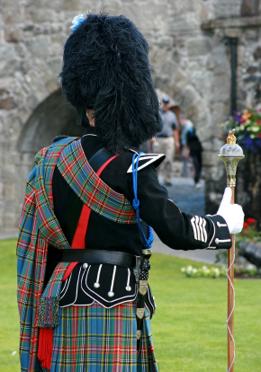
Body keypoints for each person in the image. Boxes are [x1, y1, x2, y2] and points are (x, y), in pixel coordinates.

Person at [16, 14, 244, 372]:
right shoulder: (134, 168)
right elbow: (175, 229)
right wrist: (221, 225)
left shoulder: (49, 161)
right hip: (113, 302)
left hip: (58, 299)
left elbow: (34, 247)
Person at [154, 96, 179, 186]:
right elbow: (153, 128)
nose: (165, 105)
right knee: (156, 160)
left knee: (169, 159)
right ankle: (155, 179)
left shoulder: (172, 115)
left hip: (169, 139)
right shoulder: (157, 114)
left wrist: (177, 142)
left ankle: (167, 179)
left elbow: (175, 129)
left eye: (167, 103)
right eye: (164, 103)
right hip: (158, 139)